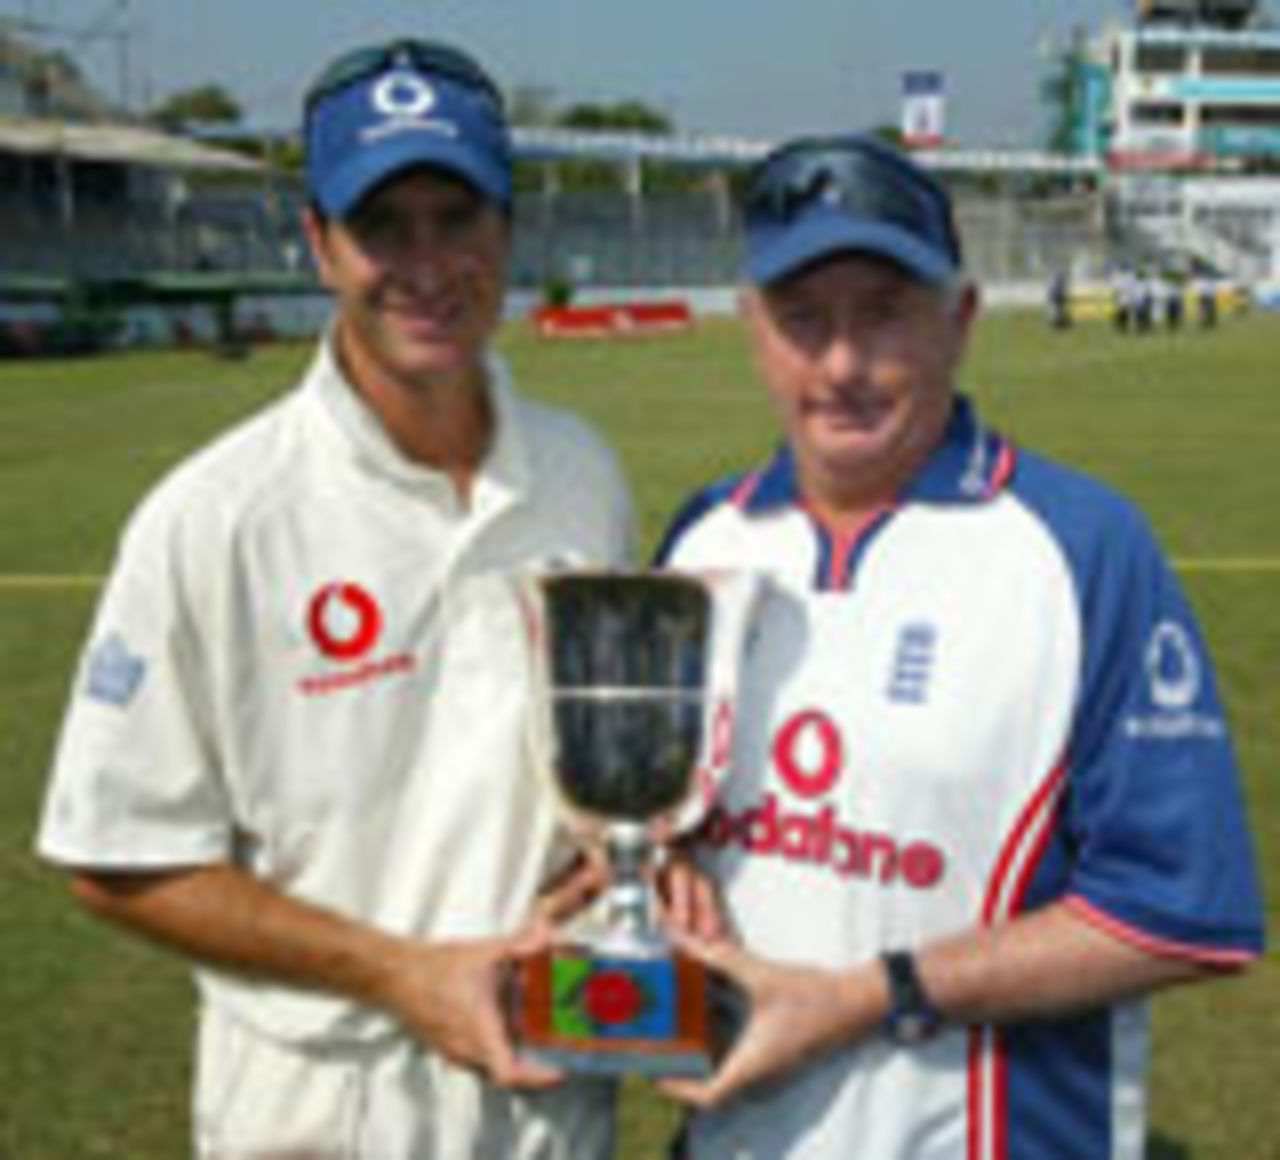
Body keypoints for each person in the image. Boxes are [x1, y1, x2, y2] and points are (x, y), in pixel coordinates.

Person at [36, 39, 636, 1160]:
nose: (425, 263)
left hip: (549, 1102)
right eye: (380, 224)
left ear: (507, 229)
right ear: (318, 243)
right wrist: (403, 973)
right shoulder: (214, 515)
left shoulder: (582, 476)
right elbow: (112, 854)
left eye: (455, 216)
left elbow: (601, 776)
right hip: (320, 1113)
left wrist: (618, 858)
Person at [654, 133, 1265, 1158]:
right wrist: (658, 857)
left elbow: (1178, 910)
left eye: (883, 311)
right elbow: (660, 812)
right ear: (753, 328)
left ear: (959, 318)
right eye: (802, 319)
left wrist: (866, 995)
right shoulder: (700, 540)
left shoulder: (1079, 548)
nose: (841, 363)